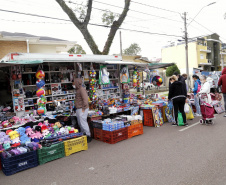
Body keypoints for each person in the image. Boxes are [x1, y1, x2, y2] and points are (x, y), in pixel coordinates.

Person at [74, 78, 92, 142]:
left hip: (82, 108)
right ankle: (84, 134)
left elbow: (85, 100)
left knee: (83, 122)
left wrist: (83, 108)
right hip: (79, 108)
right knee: (80, 122)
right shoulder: (78, 90)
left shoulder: (82, 90)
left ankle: (88, 135)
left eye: (74, 83)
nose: (74, 84)